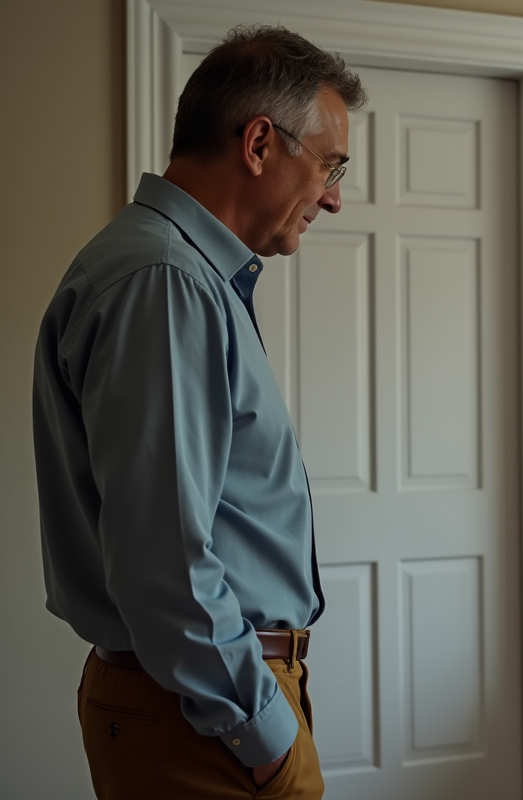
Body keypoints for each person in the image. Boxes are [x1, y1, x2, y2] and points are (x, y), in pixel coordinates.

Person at [32, 24, 367, 800]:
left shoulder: (173, 274)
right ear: (259, 143)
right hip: (204, 718)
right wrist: (267, 736)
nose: (333, 196)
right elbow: (167, 565)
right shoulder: (165, 282)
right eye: (330, 164)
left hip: (200, 706)